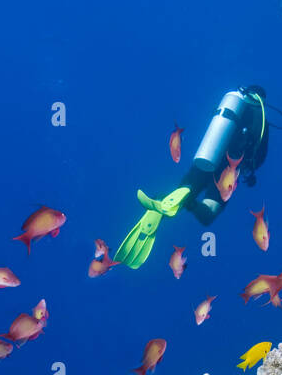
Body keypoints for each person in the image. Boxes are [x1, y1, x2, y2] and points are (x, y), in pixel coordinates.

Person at [115, 85, 272, 269]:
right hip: (228, 171)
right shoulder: (261, 119)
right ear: (262, 100)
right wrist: (248, 171)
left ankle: (164, 202)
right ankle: (190, 204)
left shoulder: (230, 107)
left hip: (206, 159)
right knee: (207, 214)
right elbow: (259, 157)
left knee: (182, 192)